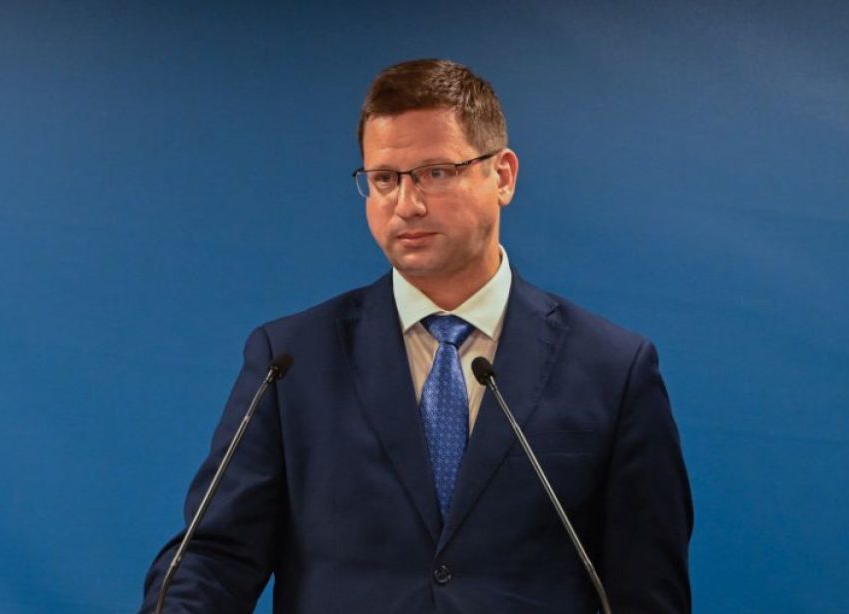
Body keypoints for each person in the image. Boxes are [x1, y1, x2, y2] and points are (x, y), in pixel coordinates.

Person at [140, 58, 692, 613]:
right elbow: (213, 558)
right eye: (384, 179)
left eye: (436, 173)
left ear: (502, 176)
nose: (407, 204)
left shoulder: (613, 370)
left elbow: (646, 591)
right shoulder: (289, 362)